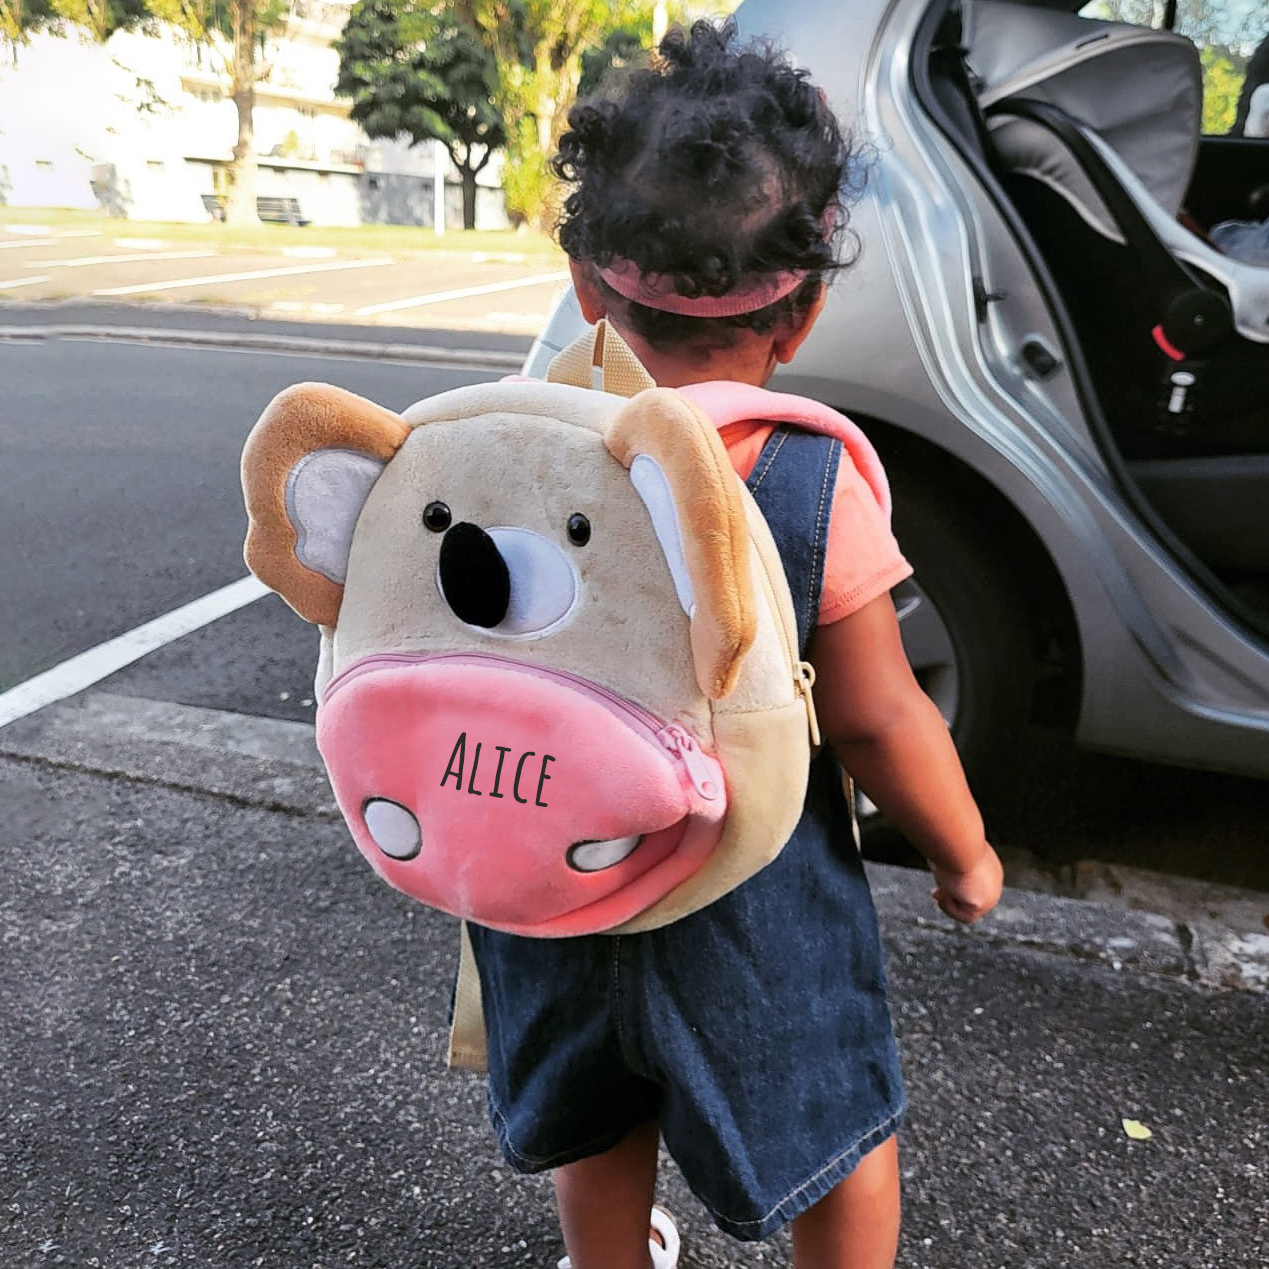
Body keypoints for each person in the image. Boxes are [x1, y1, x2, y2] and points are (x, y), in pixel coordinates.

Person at [465, 21, 1004, 1269]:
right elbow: (879, 716)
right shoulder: (813, 483)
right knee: (840, 1129)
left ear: (590, 287)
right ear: (803, 313)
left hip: (553, 868)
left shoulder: (511, 451)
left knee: (599, 1115)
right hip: (753, 898)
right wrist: (962, 850)